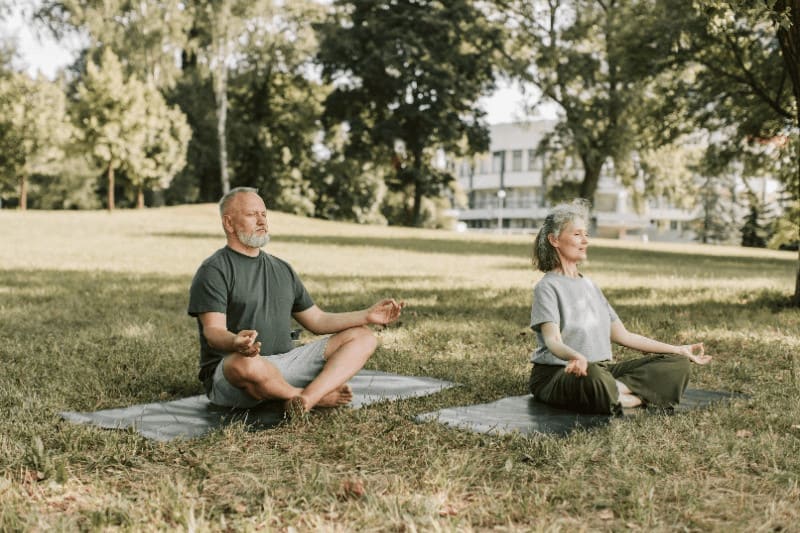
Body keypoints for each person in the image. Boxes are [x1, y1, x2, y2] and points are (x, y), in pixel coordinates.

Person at [188, 187, 404, 416]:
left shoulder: (282, 269)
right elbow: (213, 331)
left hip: (284, 365)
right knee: (244, 364)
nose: (262, 221)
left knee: (363, 336)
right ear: (229, 223)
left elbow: (317, 320)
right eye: (252, 215)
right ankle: (310, 395)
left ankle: (306, 399)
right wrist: (236, 342)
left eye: (264, 214)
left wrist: (366, 315)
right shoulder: (214, 270)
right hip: (235, 372)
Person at [528, 199, 711, 415]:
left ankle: (615, 396)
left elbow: (624, 336)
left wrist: (678, 349)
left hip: (601, 371)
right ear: (554, 240)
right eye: (577, 234)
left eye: (586, 234)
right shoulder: (547, 287)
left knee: (677, 364)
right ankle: (635, 397)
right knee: (594, 378)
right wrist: (576, 357)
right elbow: (553, 341)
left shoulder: (590, 286)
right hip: (559, 374)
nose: (585, 240)